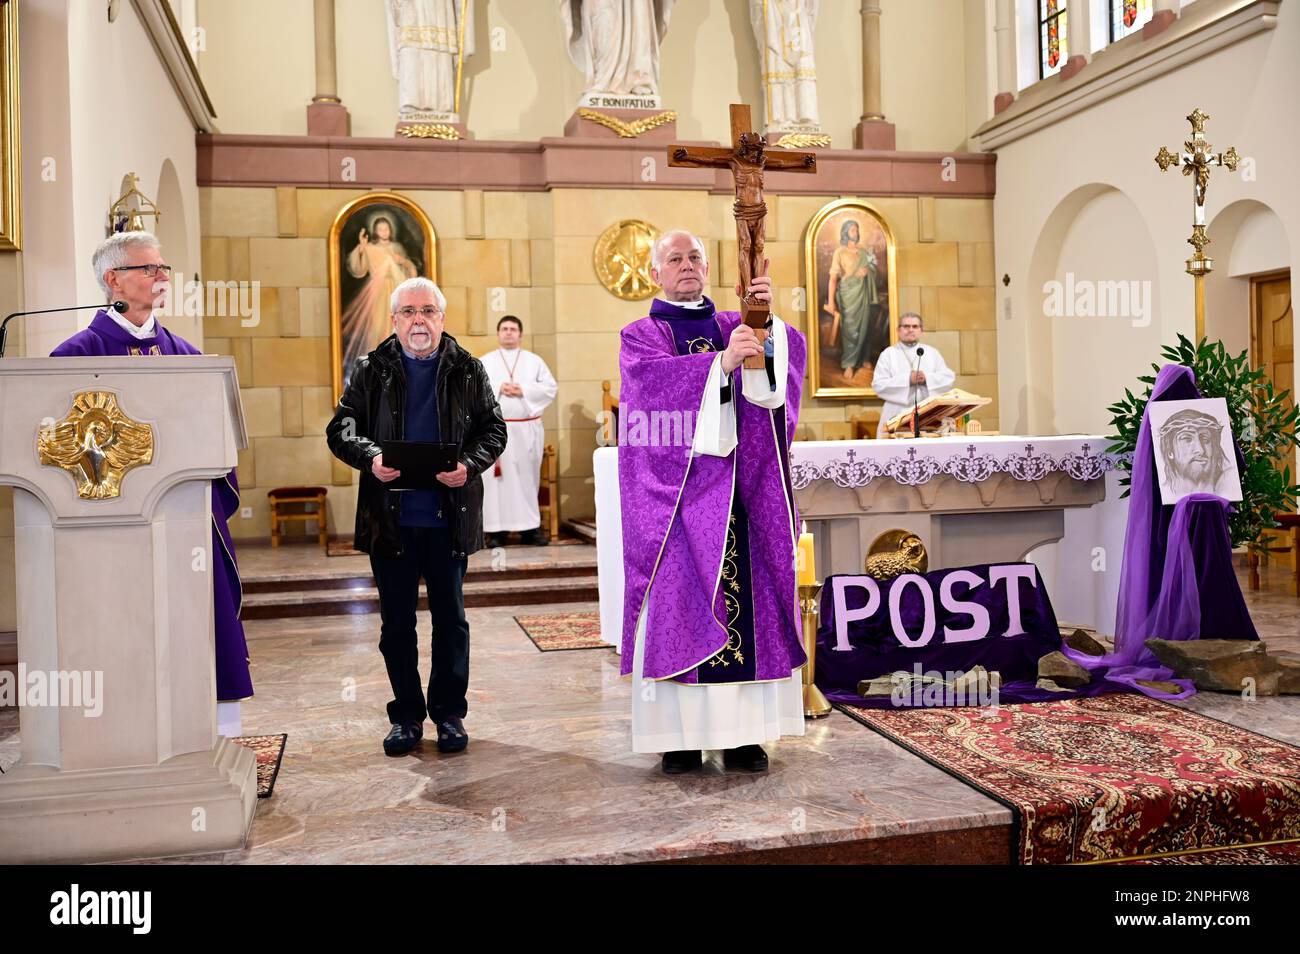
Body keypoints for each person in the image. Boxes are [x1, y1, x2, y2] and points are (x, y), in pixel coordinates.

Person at [619, 229, 807, 775]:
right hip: (678, 500)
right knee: (681, 608)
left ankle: (744, 736)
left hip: (741, 495)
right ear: (656, 273)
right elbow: (649, 398)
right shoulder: (642, 334)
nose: (686, 266)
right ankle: (680, 740)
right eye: (674, 259)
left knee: (747, 605)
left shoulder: (734, 321)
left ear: (707, 266)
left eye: (695, 257)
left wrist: (766, 324)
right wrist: (719, 366)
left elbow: (775, 389)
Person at [49, 231, 252, 735]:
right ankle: (114, 727)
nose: (162, 277)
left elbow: (216, 436)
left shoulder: (188, 356)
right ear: (112, 279)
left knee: (200, 614)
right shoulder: (75, 356)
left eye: (164, 269)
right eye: (150, 269)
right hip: (111, 528)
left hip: (185, 523)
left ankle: (212, 724)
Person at [326, 277, 506, 756]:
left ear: (442, 318)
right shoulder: (371, 369)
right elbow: (340, 430)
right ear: (394, 320)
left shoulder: (468, 369)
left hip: (448, 516)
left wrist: (468, 466)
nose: (418, 320)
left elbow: (493, 430)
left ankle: (449, 714)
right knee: (396, 625)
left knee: (451, 621)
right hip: (392, 521)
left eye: (428, 311)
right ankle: (406, 716)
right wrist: (371, 458)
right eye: (408, 312)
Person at [480, 315, 558, 547]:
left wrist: (523, 389)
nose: (508, 333)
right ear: (498, 333)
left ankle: (529, 529)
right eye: (504, 329)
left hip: (526, 430)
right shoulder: (485, 361)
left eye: (513, 329)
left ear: (520, 334)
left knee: (526, 478)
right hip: (495, 432)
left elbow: (550, 388)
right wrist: (499, 388)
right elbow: (474, 391)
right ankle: (495, 531)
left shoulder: (534, 361)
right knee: (497, 482)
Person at [340, 214, 419, 375]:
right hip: (376, 292)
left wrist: (402, 261)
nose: (383, 231)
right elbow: (358, 269)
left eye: (386, 228)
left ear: (390, 230)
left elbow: (410, 272)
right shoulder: (370, 247)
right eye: (380, 229)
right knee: (377, 327)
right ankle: (379, 365)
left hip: (396, 291)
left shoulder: (397, 248)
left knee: (397, 326)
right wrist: (361, 248)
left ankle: (399, 362)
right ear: (375, 231)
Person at [870, 311, 956, 436]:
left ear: (921, 330)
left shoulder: (932, 353)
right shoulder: (889, 354)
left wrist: (927, 378)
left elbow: (948, 378)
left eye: (915, 326)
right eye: (906, 326)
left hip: (927, 413)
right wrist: (907, 379)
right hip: (896, 413)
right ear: (898, 330)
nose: (911, 330)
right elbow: (878, 385)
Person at [824, 219, 882, 382]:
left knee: (865, 326)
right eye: (852, 230)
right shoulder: (840, 252)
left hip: (863, 294)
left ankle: (863, 358)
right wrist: (830, 302)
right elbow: (834, 278)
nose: (855, 233)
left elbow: (873, 273)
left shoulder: (864, 253)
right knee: (849, 329)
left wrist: (868, 271)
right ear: (845, 232)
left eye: (857, 230)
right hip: (848, 295)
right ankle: (849, 363)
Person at [1157, 408, 1233, 499]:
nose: (1200, 450)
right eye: (1187, 439)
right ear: (1170, 451)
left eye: (1205, 439)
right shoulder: (1160, 493)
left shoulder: (1227, 484)